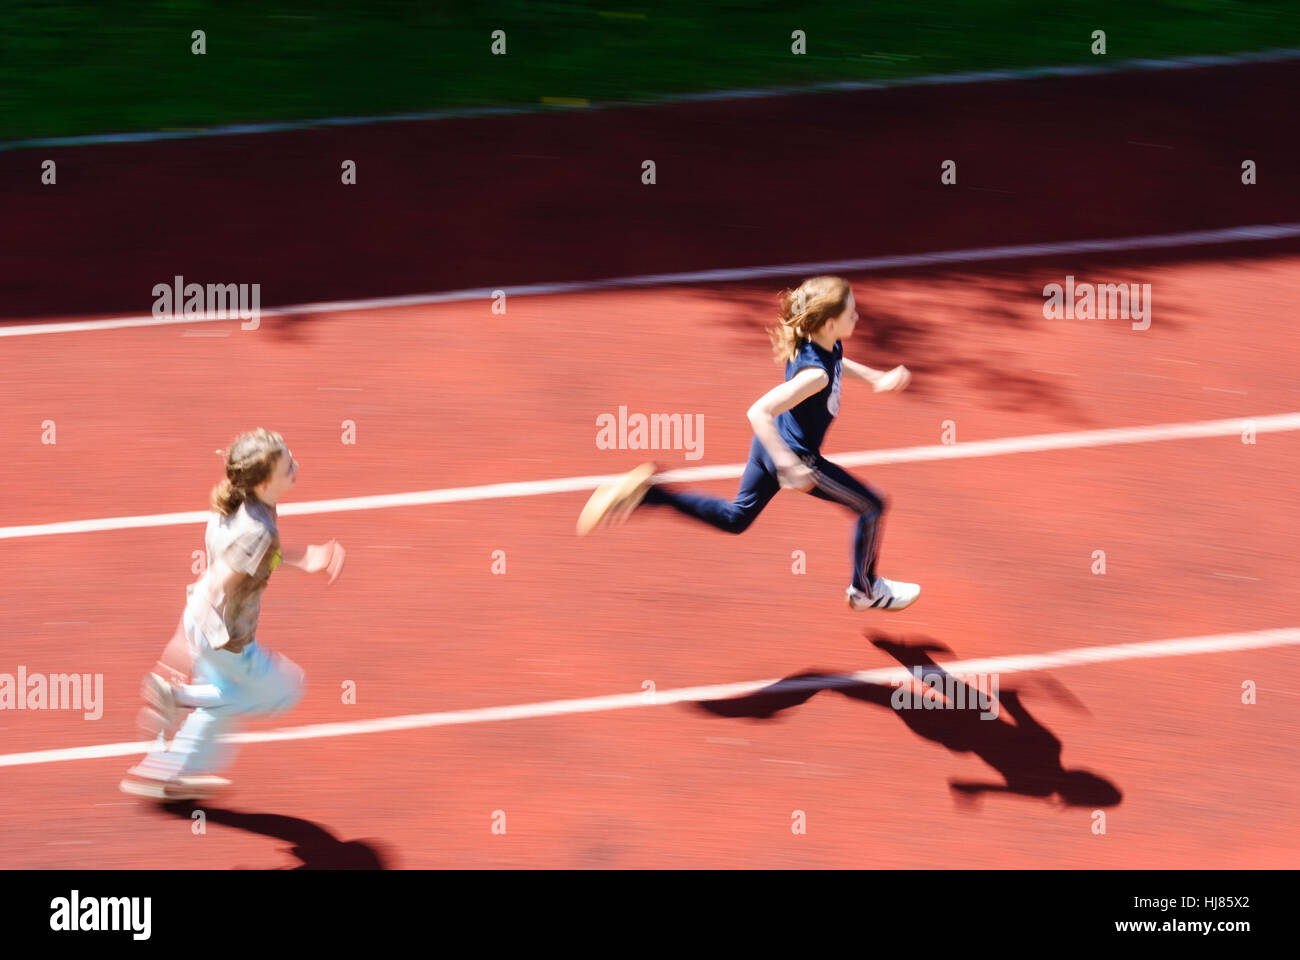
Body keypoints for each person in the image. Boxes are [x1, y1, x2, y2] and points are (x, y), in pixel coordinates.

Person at [577, 275, 919, 611]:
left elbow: (836, 362)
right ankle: (865, 590)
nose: (857, 318)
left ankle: (650, 493)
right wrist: (789, 464)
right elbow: (759, 410)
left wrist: (876, 376)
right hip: (797, 457)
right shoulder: (815, 376)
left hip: (768, 446)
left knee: (736, 519)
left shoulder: (816, 342)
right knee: (872, 506)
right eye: (851, 314)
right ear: (829, 324)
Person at [121, 428, 345, 800]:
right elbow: (221, 577)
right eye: (287, 465)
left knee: (218, 707)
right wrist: (175, 652)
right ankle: (178, 697)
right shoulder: (258, 529)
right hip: (225, 640)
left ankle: (167, 773)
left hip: (202, 624)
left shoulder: (237, 502)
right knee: (285, 691)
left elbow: (250, 559)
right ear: (262, 482)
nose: (296, 466)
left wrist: (304, 559)